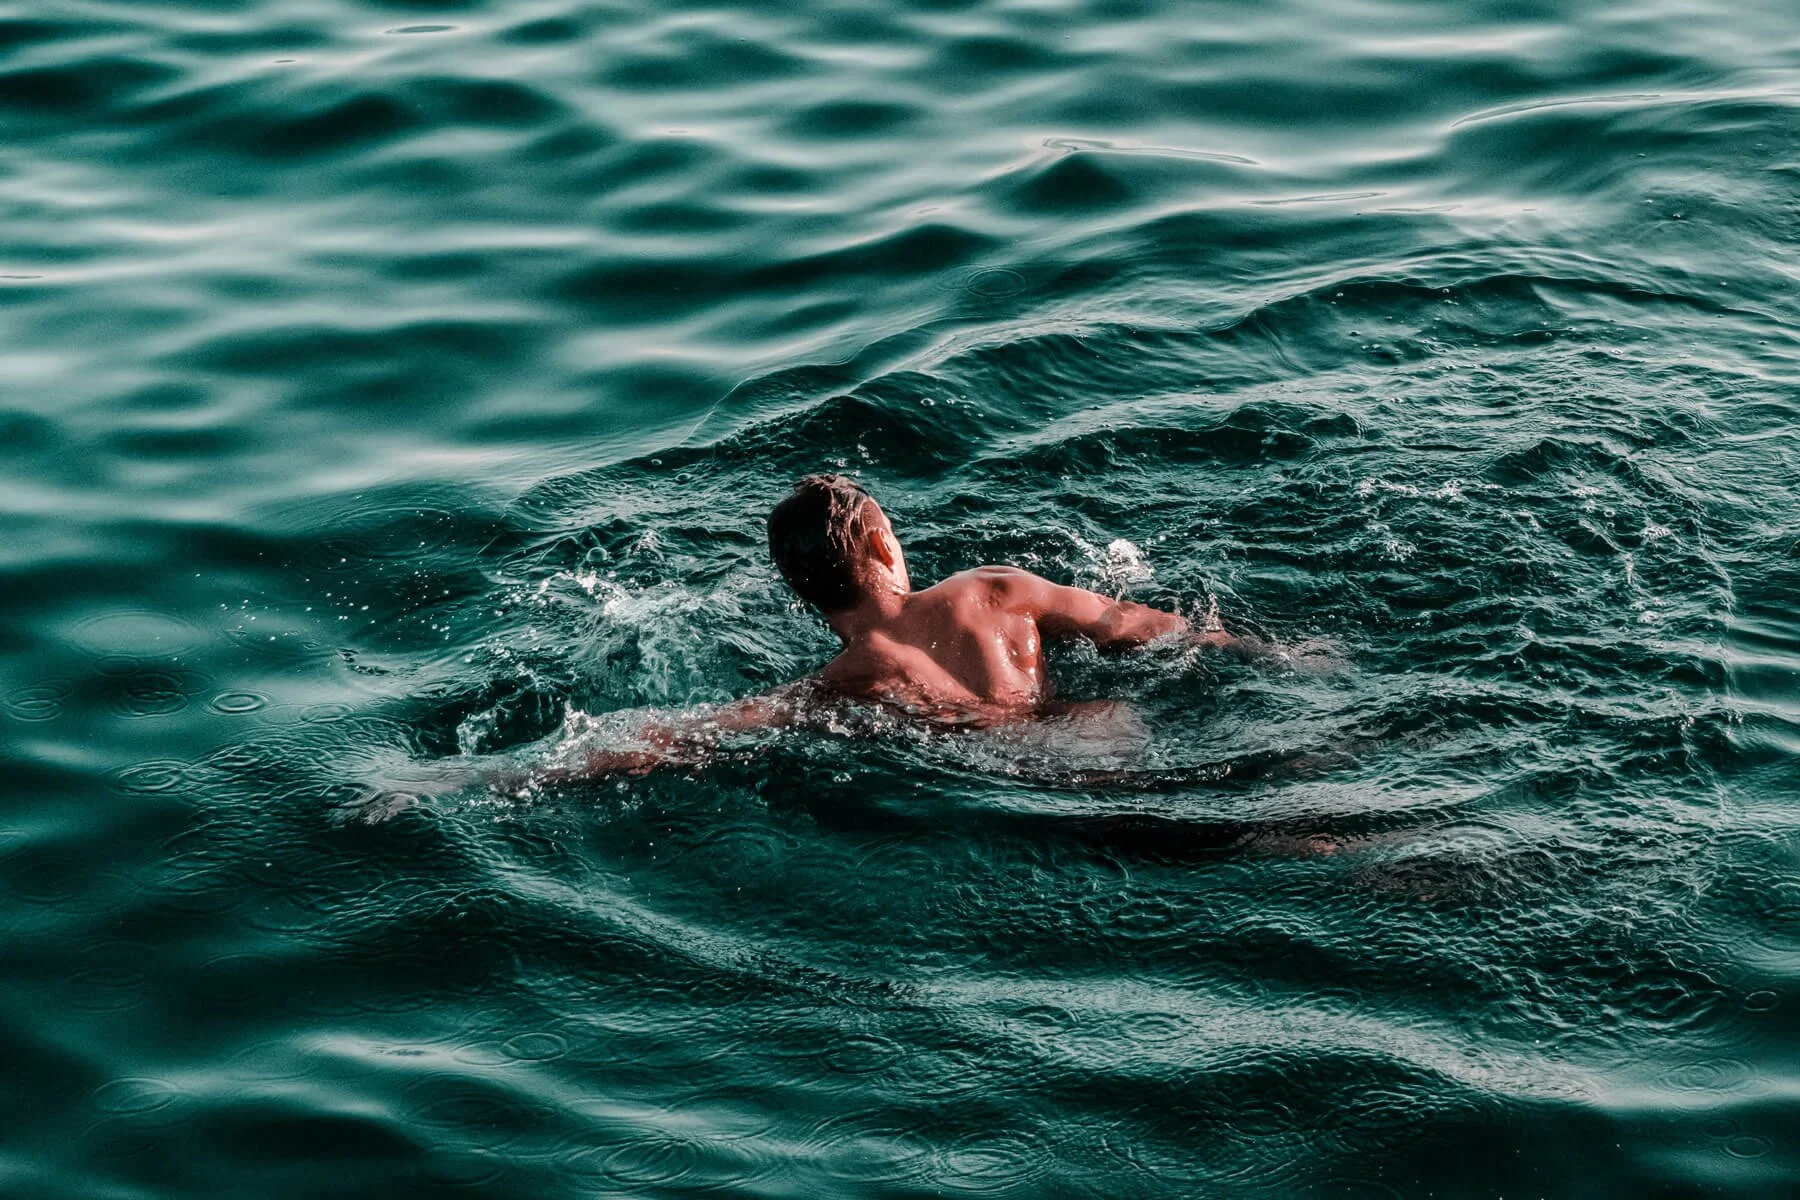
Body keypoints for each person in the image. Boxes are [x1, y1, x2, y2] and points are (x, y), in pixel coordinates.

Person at [543, 474, 1276, 779]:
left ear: (804, 596)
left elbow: (681, 735)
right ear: (886, 546)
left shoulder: (847, 683)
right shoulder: (996, 589)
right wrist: (1266, 652)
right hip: (1106, 730)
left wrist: (507, 774)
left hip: (1042, 785)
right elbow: (1139, 624)